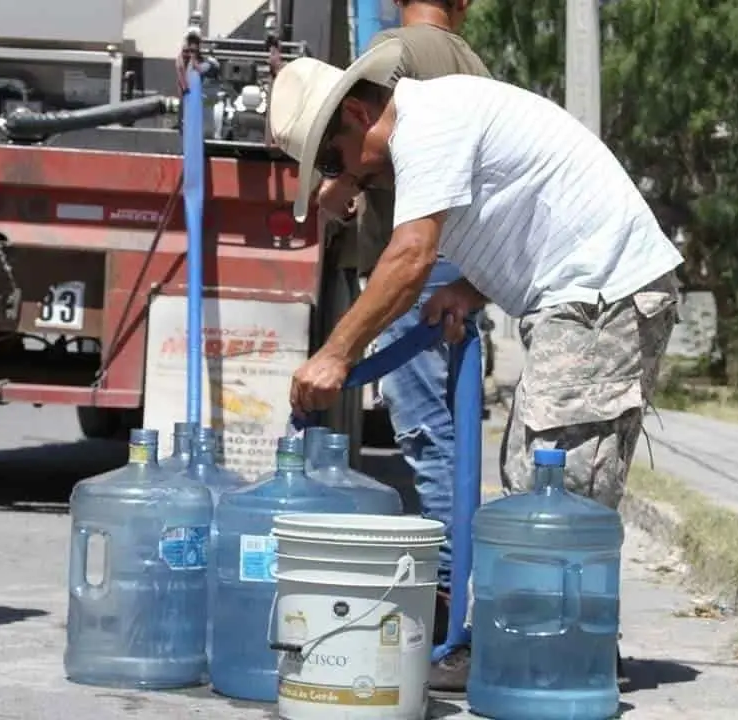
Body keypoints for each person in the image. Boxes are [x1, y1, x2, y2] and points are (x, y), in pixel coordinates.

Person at [268, 37, 682, 684]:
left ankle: (559, 664)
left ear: (355, 113)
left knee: (553, 486)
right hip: (583, 295)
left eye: (336, 159)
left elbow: (409, 258)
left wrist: (335, 353)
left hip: (603, 297)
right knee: (533, 477)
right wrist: (473, 287)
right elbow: (523, 208)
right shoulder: (433, 121)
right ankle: (537, 653)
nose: (348, 177)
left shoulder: (426, 124)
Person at [314, 0, 488, 690]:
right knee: (450, 430)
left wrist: (342, 177)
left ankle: (447, 599)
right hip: (452, 259)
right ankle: (459, 585)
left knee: (425, 433)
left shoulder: (394, 51)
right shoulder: (472, 61)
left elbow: (365, 134)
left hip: (410, 261)